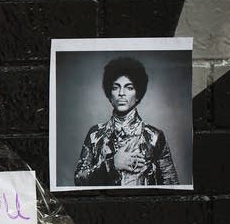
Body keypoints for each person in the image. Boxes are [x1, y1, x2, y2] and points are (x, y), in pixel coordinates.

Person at [74, 57, 179, 186]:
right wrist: (112, 164)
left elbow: (171, 186)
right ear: (109, 94)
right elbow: (79, 181)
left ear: (138, 94)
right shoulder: (95, 134)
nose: (121, 93)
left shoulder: (154, 137)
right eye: (115, 87)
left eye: (129, 88)